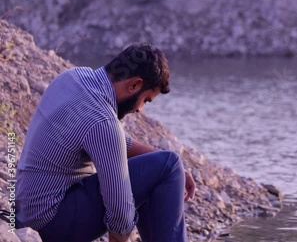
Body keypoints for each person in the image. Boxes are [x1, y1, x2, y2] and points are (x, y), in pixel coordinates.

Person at [12, 43, 195, 242]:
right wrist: (169, 171)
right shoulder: (103, 122)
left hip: (25, 212)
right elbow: (120, 218)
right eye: (146, 100)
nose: (140, 109)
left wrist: (164, 167)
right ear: (134, 85)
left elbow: (117, 143)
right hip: (49, 224)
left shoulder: (73, 77)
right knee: (169, 163)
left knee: (166, 167)